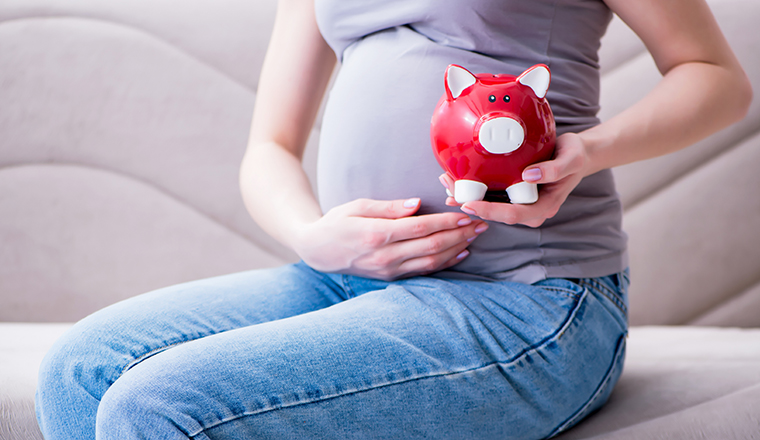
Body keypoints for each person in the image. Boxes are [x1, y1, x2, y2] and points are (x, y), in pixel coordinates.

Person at [35, 0, 751, 439]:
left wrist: (587, 152)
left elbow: (715, 76)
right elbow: (268, 150)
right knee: (78, 370)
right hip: (347, 281)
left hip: (527, 298)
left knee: (156, 406)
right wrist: (314, 238)